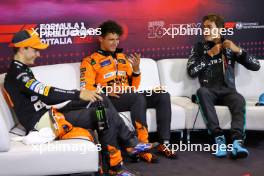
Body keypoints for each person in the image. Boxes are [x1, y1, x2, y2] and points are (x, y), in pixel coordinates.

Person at [4, 29, 153, 176]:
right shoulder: (18, 74)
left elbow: (44, 95)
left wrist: (82, 95)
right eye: (36, 50)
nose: (38, 54)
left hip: (49, 114)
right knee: (104, 115)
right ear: (23, 49)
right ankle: (115, 166)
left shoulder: (22, 70)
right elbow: (47, 95)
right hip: (42, 122)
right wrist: (78, 94)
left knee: (99, 98)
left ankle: (130, 143)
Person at [80, 20, 177, 163]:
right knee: (137, 98)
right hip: (110, 99)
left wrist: (136, 70)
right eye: (111, 39)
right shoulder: (89, 61)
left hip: (129, 94)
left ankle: (164, 142)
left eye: (117, 39)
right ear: (100, 39)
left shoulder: (123, 58)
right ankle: (142, 145)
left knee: (162, 95)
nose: (115, 43)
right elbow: (86, 89)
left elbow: (134, 86)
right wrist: (105, 91)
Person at [187, 14, 260, 159]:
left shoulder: (229, 46)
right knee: (201, 92)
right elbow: (191, 71)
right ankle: (218, 138)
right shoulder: (199, 47)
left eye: (209, 27)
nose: (205, 31)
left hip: (228, 91)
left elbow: (256, 65)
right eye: (204, 27)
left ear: (219, 29)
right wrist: (209, 55)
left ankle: (237, 142)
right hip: (209, 91)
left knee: (239, 99)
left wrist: (238, 50)